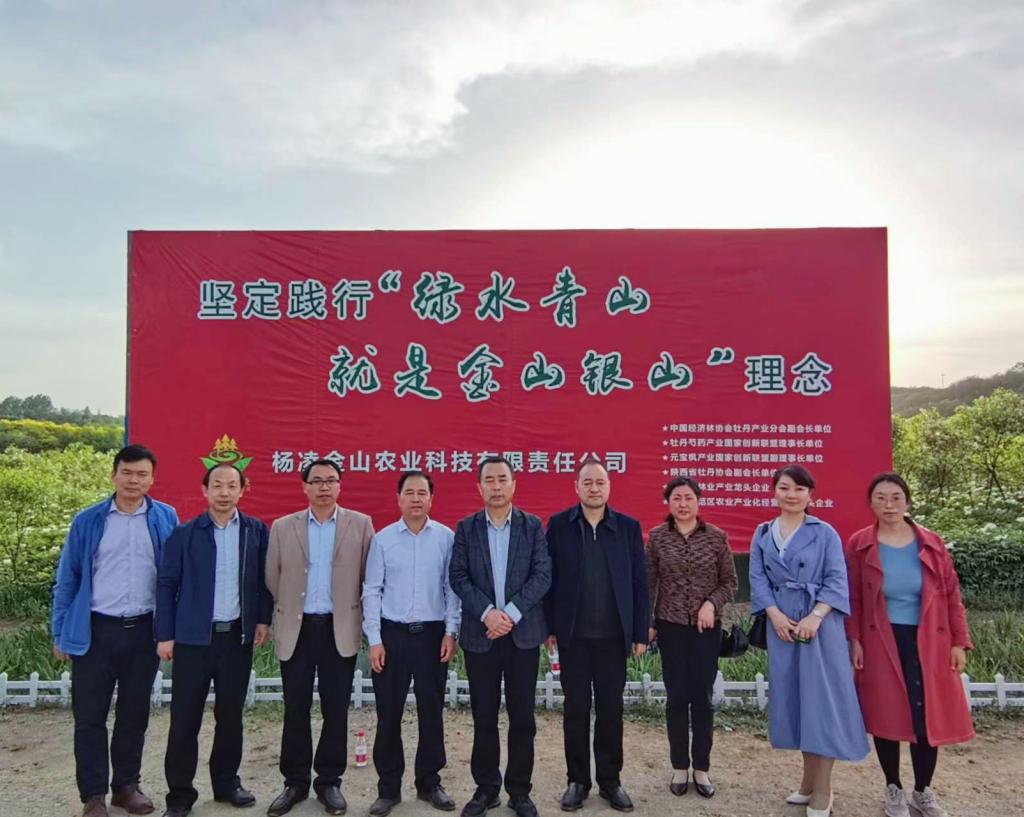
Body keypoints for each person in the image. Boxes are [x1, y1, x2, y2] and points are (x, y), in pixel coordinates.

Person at [51, 444, 179, 817]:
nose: (133, 480)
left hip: (143, 631)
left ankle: (126, 787)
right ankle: (93, 796)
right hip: (95, 631)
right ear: (114, 475)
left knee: (133, 714)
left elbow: (174, 576)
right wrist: (60, 632)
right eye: (127, 472)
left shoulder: (165, 517)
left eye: (142, 474)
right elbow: (68, 578)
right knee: (90, 717)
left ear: (152, 479)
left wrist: (171, 629)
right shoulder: (88, 521)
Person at [846, 473, 974, 817]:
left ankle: (922, 791)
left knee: (926, 716)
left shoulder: (931, 542)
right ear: (870, 503)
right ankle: (893, 788)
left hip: (930, 639)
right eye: (881, 498)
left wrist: (959, 642)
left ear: (908, 501)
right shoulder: (860, 544)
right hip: (881, 637)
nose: (889, 505)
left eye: (896, 498)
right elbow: (853, 597)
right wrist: (854, 639)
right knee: (886, 711)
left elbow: (951, 594)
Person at [748, 464, 868, 817]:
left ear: (810, 495)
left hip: (819, 626)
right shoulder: (763, 533)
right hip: (782, 625)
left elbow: (836, 579)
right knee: (797, 701)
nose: (791, 495)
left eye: (799, 489)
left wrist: (816, 616)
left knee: (822, 702)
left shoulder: (824, 532)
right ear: (774, 491)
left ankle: (824, 788)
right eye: (785, 488)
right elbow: (758, 578)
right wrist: (773, 613)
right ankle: (807, 781)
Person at [155, 463, 273, 816]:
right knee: (184, 719)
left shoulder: (254, 531)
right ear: (205, 491)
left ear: (243, 490)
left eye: (231, 485)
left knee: (231, 716)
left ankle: (226, 784)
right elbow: (166, 585)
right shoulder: (185, 534)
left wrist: (262, 618)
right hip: (193, 641)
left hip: (236, 638)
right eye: (217, 485)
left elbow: (263, 580)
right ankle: (180, 795)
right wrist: (165, 634)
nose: (224, 492)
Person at [265, 459, 374, 817]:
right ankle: (295, 782)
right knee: (295, 708)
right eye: (317, 481)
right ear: (305, 487)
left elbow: (368, 577)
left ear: (340, 486)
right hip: (296, 630)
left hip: (338, 629)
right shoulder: (283, 527)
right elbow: (272, 576)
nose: (324, 487)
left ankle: (329, 781)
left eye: (331, 480)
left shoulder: (360, 524)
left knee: (335, 709)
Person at [544, 457, 649, 813]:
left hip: (613, 637)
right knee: (575, 709)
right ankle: (577, 781)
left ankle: (610, 780)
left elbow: (639, 582)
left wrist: (639, 631)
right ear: (576, 487)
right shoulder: (560, 525)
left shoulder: (627, 528)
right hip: (573, 636)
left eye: (600, 482)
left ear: (609, 487)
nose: (594, 488)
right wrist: (549, 626)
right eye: (587, 483)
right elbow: (549, 579)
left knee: (610, 710)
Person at [449, 455, 552, 817]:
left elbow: (542, 575)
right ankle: (486, 788)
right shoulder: (466, 528)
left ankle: (519, 791)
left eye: (502, 479)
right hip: (482, 635)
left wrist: (509, 613)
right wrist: (487, 614)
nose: (496, 486)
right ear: (479, 487)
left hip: (522, 635)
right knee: (484, 716)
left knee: (523, 718)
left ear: (513, 485)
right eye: (489, 480)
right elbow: (458, 576)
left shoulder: (532, 526)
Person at [362, 471, 461, 817]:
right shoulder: (383, 540)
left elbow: (452, 590)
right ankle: (388, 788)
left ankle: (429, 782)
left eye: (422, 493)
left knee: (431, 712)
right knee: (388, 713)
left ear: (432, 499)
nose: (416, 499)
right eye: (409, 492)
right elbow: (371, 591)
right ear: (398, 499)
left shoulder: (446, 538)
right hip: (392, 636)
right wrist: (374, 639)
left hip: (433, 636)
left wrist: (451, 631)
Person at [646, 476, 737, 800]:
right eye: (677, 498)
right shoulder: (657, 538)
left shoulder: (716, 538)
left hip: (705, 630)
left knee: (702, 698)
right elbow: (649, 583)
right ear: (668, 503)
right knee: (676, 698)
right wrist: (649, 622)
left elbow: (730, 582)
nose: (683, 504)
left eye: (688, 498)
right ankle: (679, 767)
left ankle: (701, 768)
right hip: (670, 627)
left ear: (698, 501)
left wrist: (711, 603)